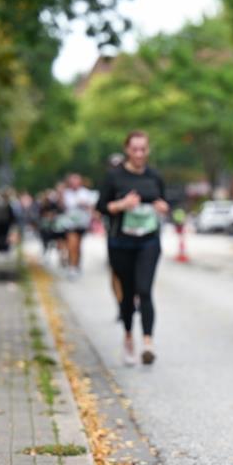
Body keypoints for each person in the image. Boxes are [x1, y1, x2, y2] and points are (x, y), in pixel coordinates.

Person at [96, 130, 169, 366]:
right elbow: (101, 207)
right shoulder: (114, 177)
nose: (139, 154)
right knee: (127, 294)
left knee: (144, 290)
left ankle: (148, 343)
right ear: (127, 150)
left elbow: (165, 202)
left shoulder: (155, 176)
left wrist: (162, 207)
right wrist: (122, 205)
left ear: (148, 150)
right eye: (134, 149)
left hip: (148, 240)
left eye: (143, 149)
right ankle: (128, 337)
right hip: (121, 242)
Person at [61, 172, 94, 279]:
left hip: (82, 223)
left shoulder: (86, 192)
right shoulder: (66, 193)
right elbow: (62, 206)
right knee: (72, 245)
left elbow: (91, 207)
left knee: (78, 246)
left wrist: (85, 205)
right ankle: (72, 267)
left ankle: (77, 264)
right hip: (70, 224)